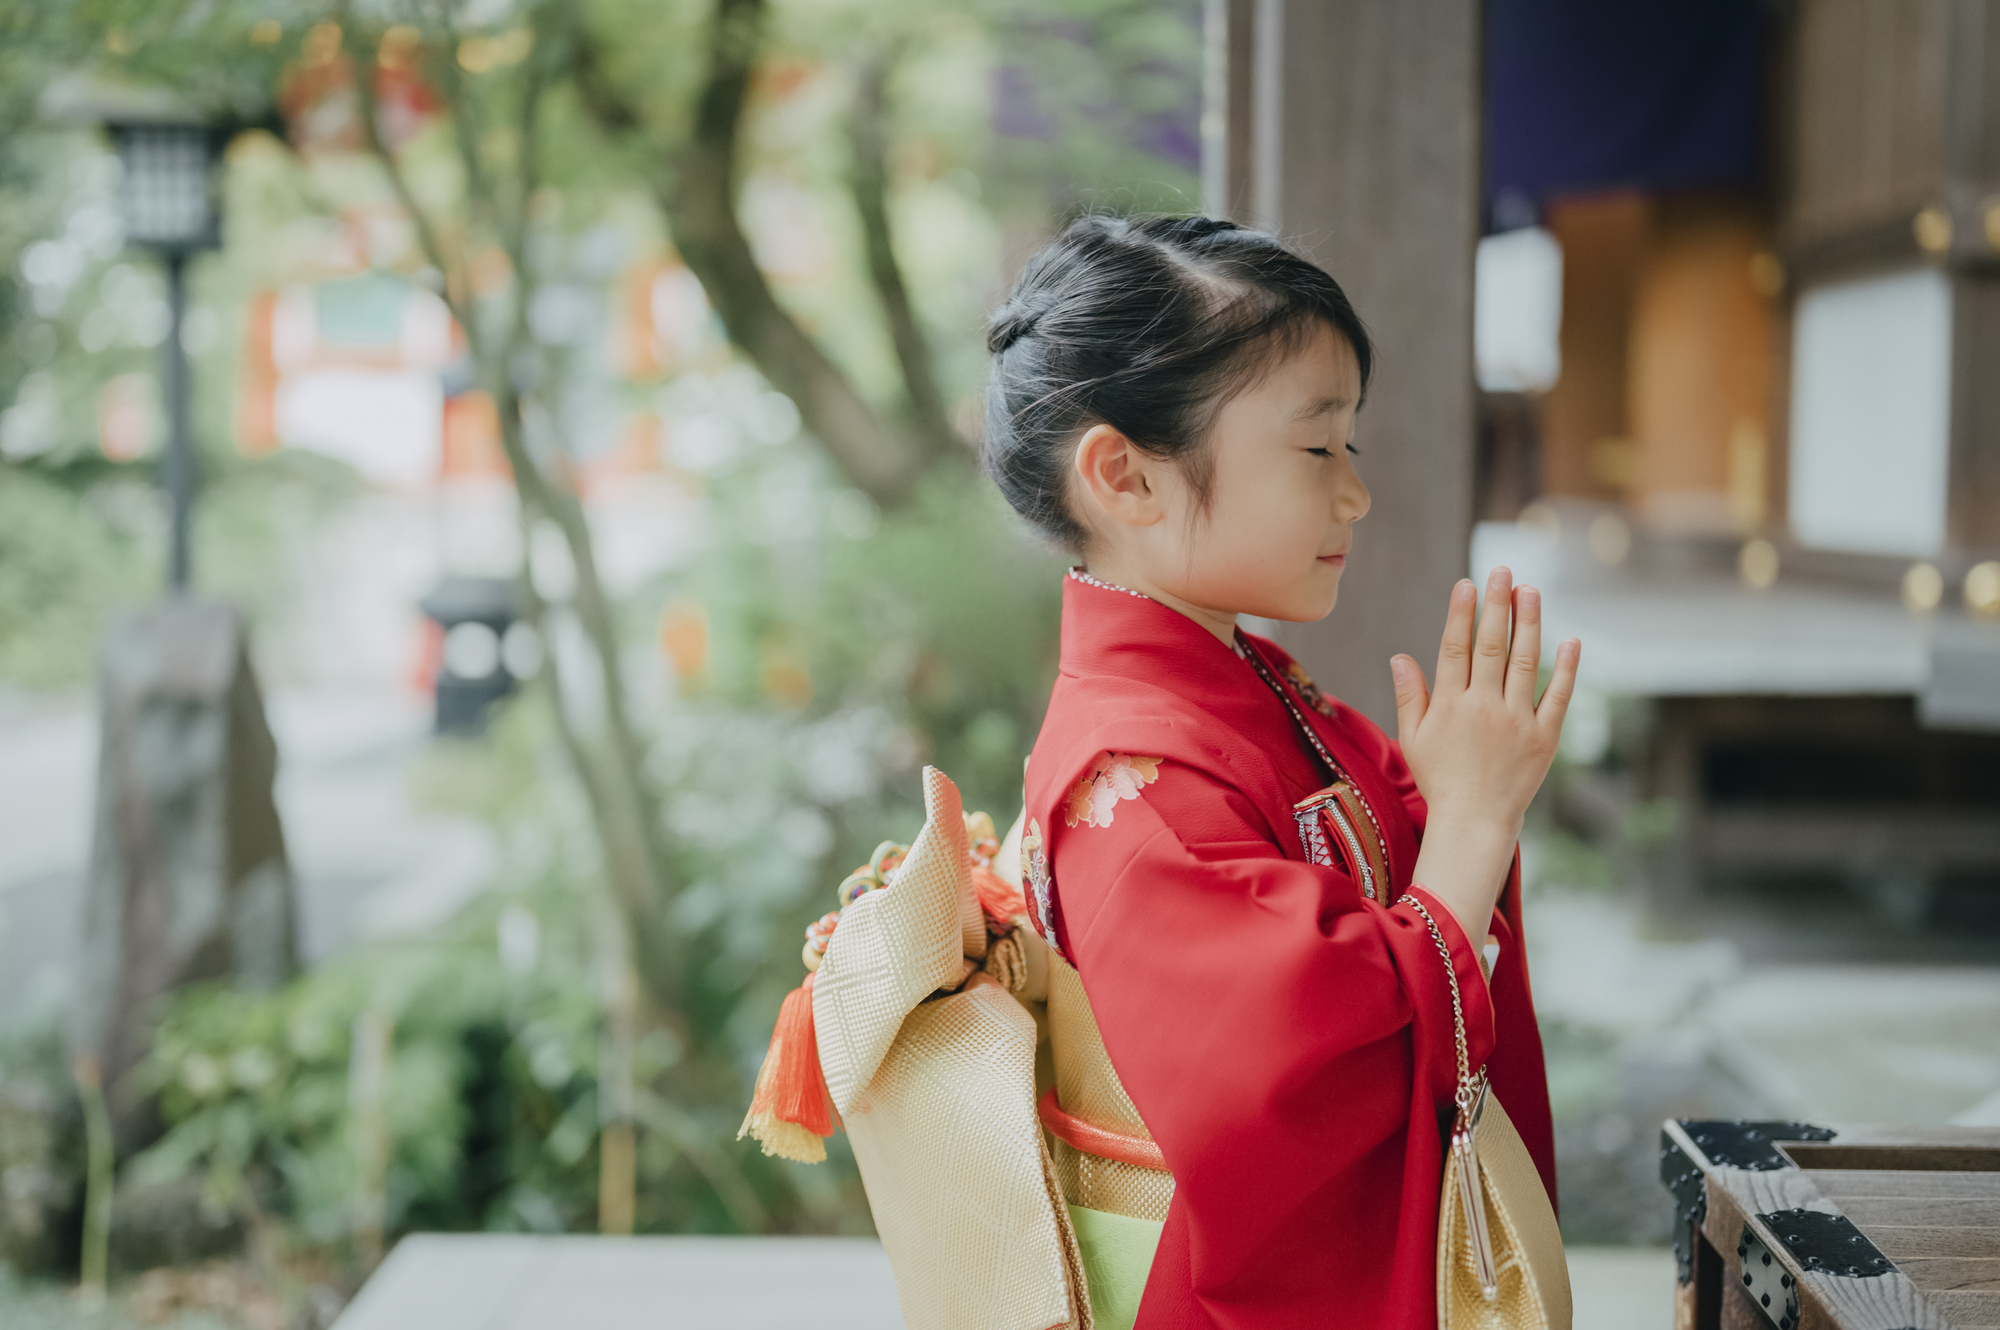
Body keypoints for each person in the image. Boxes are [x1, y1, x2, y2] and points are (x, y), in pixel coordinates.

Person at [984, 215, 1580, 1329]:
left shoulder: (1239, 684)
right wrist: (1467, 822)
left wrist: (1455, 788)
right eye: (1317, 449)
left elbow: (1390, 883)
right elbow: (1292, 1074)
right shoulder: (1132, 780)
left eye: (1350, 447)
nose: (1352, 492)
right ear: (1123, 475)